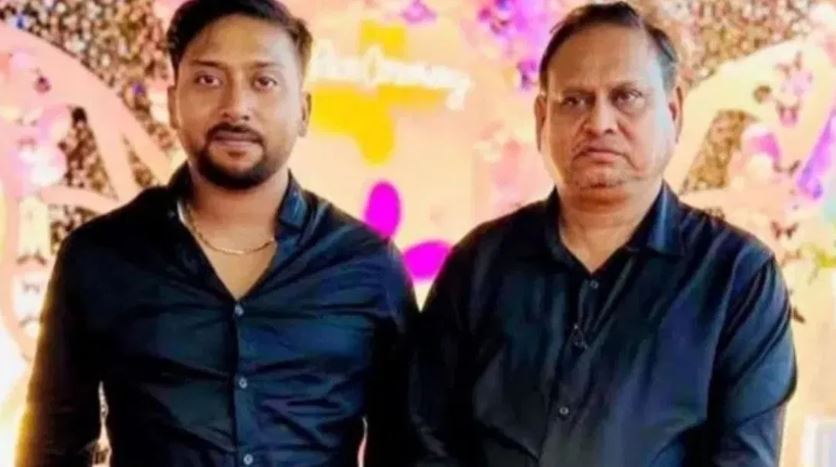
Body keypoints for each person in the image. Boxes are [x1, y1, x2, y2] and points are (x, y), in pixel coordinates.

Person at [16, 1, 417, 466]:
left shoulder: (367, 266)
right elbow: (52, 446)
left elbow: (407, 448)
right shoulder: (101, 258)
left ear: (304, 111)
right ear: (173, 103)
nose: (236, 107)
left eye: (264, 82)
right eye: (208, 79)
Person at [408, 2, 796, 466]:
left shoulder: (737, 279)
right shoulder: (480, 264)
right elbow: (421, 442)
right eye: (574, 100)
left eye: (626, 97)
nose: (599, 123)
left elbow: (743, 458)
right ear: (542, 119)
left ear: (673, 111)